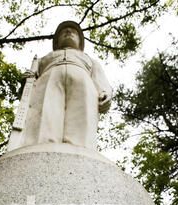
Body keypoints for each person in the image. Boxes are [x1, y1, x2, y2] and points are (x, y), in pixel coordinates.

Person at [20, 21, 112, 151]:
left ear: (80, 42)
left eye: (73, 32)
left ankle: (80, 152)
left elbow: (100, 79)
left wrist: (105, 92)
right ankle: (41, 149)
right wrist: (27, 82)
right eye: (64, 32)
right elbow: (30, 87)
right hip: (48, 78)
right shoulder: (43, 59)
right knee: (45, 116)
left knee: (82, 119)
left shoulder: (90, 61)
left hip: (83, 81)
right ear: (56, 42)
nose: (68, 33)